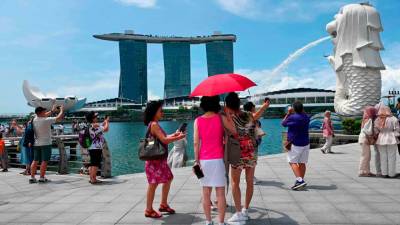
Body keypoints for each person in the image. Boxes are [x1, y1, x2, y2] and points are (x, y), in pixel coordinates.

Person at [143, 101, 186, 218]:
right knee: (153, 184)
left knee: (168, 178)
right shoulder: (154, 125)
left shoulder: (154, 124)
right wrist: (179, 137)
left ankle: (163, 204)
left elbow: (164, 137)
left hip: (159, 160)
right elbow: (164, 140)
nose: (162, 112)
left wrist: (176, 134)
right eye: (160, 110)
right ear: (154, 112)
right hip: (154, 161)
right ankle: (148, 209)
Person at [223, 92, 257, 223]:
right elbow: (253, 130)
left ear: (228, 105)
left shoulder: (230, 118)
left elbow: (231, 132)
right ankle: (245, 210)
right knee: (249, 182)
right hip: (251, 152)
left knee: (235, 183)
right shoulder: (249, 115)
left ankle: (238, 213)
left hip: (238, 153)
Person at [194, 96, 228, 225]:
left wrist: (197, 161)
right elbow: (230, 134)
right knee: (220, 193)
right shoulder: (221, 118)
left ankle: (208, 221)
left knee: (206, 193)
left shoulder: (198, 121)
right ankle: (221, 222)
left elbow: (196, 143)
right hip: (218, 159)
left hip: (204, 160)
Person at [29, 105, 64, 184]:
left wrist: (52, 111)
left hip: (36, 143)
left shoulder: (34, 119)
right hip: (46, 143)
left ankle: (32, 177)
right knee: (44, 161)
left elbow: (44, 115)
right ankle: (41, 177)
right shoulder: (46, 120)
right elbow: (58, 118)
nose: (45, 112)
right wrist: (61, 110)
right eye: (44, 111)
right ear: (41, 112)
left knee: (35, 160)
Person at [281, 101, 310, 190]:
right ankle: (300, 181)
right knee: (302, 162)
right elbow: (304, 114)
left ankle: (300, 180)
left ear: (294, 108)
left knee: (292, 161)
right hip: (305, 143)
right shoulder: (306, 117)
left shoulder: (293, 117)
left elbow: (283, 124)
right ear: (302, 108)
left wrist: (288, 113)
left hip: (295, 143)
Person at [243, 100, 269, 184]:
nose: (255, 108)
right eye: (254, 107)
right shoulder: (250, 117)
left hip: (248, 142)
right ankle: (250, 178)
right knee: (252, 160)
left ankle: (250, 176)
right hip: (252, 143)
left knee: (249, 160)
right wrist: (265, 106)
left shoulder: (244, 117)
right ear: (251, 108)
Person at [374, 105, 399, 178]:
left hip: (381, 138)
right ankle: (391, 174)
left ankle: (384, 173)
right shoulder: (393, 119)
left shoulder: (378, 119)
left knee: (383, 156)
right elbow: (397, 129)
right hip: (391, 138)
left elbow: (375, 130)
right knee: (392, 156)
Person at [86, 112, 109, 184]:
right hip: (96, 147)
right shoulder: (95, 125)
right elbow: (106, 129)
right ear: (93, 119)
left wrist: (104, 122)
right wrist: (107, 122)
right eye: (96, 117)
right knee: (95, 164)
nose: (97, 118)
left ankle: (92, 178)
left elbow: (101, 127)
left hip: (91, 147)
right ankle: (93, 179)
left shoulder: (89, 125)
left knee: (92, 163)